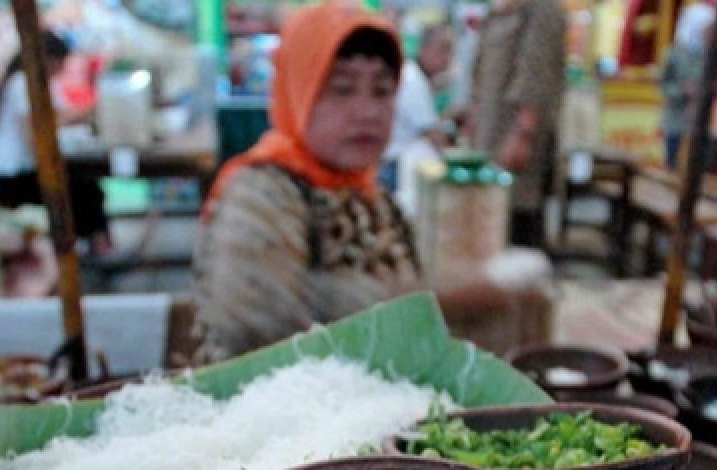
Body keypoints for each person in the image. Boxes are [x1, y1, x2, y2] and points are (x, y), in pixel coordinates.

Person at [193, 2, 510, 363]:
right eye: (342, 89)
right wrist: (447, 296)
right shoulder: (262, 193)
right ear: (299, 89)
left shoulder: (374, 198)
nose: (368, 111)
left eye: (383, 91)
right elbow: (260, 319)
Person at [0, 31, 110, 255]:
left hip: (27, 170)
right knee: (80, 189)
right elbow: (37, 134)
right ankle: (86, 247)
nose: (60, 69)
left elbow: (60, 116)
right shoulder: (22, 83)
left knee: (86, 184)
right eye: (59, 63)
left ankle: (91, 244)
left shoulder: (45, 84)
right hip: (9, 178)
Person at [469, 0, 567, 249]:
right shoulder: (500, 10)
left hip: (513, 137)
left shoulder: (541, 9)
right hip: (489, 136)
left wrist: (523, 133)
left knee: (517, 219)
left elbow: (536, 71)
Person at [381, 23, 453, 191]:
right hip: (396, 169)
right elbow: (433, 134)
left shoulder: (417, 78)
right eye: (443, 49)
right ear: (424, 49)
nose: (447, 58)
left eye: (450, 51)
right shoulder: (413, 80)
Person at [658, 3, 715, 170]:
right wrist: (682, 90)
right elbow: (663, 85)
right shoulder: (674, 53)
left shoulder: (711, 54)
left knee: (699, 168)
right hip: (676, 119)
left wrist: (706, 90)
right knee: (673, 165)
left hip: (699, 121)